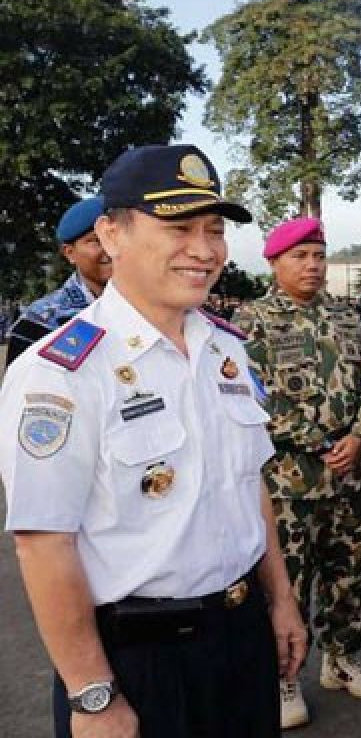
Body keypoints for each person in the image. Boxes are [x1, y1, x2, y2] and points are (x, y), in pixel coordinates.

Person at [0, 145, 306, 737]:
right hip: (136, 662)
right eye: (178, 227)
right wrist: (92, 696)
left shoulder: (227, 349)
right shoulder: (60, 370)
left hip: (242, 639)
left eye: (215, 229)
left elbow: (250, 486)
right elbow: (43, 545)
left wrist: (283, 599)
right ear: (111, 233)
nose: (205, 249)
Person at [234, 217, 361, 729]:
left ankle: (342, 659)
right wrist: (323, 440)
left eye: (319, 256)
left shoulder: (346, 318)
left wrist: (360, 436)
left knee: (350, 575)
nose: (313, 266)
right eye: (300, 257)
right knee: (288, 585)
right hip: (287, 486)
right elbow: (251, 400)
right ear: (275, 262)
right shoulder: (250, 322)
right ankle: (283, 678)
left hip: (348, 481)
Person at [5, 196, 111, 369]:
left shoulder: (151, 308)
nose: (110, 248)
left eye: (115, 237)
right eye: (96, 241)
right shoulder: (42, 321)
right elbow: (21, 390)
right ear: (70, 253)